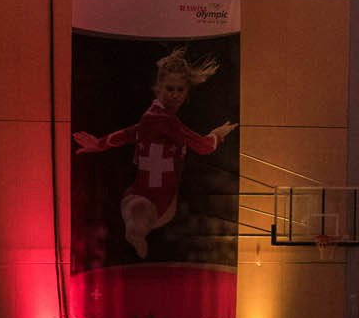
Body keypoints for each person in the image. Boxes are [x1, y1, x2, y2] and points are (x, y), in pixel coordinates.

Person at [70, 45, 236, 260]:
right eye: (169, 89)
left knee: (145, 215)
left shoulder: (154, 117)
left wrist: (101, 144)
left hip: (158, 202)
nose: (174, 95)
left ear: (187, 93)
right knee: (140, 212)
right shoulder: (163, 120)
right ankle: (136, 232)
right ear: (158, 88)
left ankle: (138, 231)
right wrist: (217, 134)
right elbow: (203, 146)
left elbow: (131, 133)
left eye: (180, 90)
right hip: (146, 200)